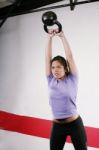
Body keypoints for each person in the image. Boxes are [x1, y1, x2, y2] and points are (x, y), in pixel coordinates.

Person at [45, 28, 87, 150]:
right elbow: (48, 58)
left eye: (59, 67)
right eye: (53, 67)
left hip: (74, 124)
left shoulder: (72, 78)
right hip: (57, 126)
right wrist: (49, 38)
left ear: (65, 68)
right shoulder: (50, 79)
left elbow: (70, 57)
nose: (55, 70)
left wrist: (62, 36)